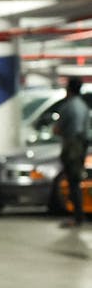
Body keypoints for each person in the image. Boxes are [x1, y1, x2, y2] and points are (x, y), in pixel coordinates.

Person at [54, 75, 89, 229]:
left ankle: (77, 217)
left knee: (72, 182)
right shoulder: (84, 106)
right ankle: (79, 215)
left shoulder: (68, 106)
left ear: (69, 89)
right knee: (77, 181)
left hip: (72, 146)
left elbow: (57, 129)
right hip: (82, 146)